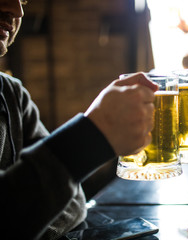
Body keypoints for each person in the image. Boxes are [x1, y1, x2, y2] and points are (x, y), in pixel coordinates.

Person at [0, 0, 158, 239]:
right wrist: (91, 136)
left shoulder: (12, 93)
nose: (17, 10)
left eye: (22, 0)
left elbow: (74, 202)